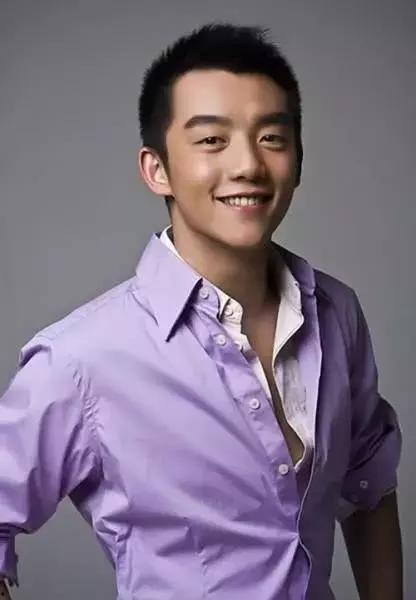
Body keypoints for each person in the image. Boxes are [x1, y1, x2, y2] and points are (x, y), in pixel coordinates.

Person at [0, 22, 403, 599]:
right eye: (212, 140)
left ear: (298, 158)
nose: (248, 165)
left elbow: (368, 484)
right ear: (156, 168)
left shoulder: (338, 313)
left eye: (271, 137)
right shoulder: (80, 359)